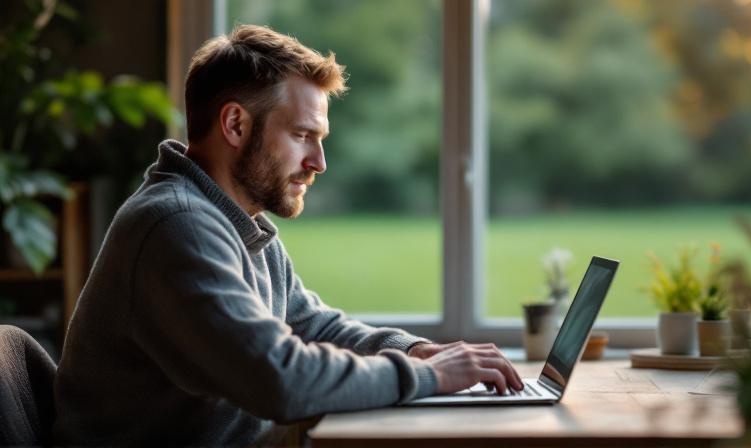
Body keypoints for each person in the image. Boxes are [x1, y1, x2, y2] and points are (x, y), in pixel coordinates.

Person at [53, 25, 522, 445]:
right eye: (302, 135)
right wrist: (426, 375)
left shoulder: (239, 222)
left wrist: (410, 349)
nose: (319, 162)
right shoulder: (177, 226)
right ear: (235, 124)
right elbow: (278, 380)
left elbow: (313, 326)